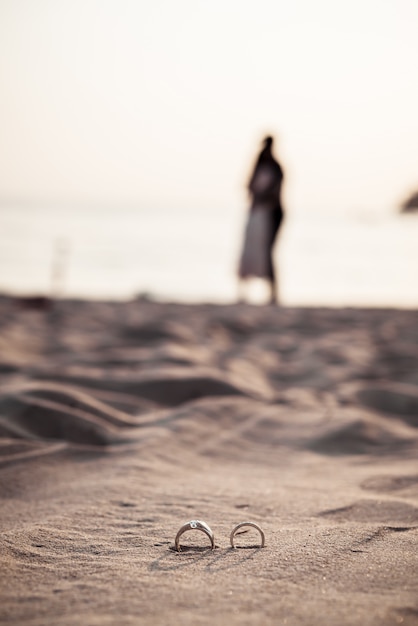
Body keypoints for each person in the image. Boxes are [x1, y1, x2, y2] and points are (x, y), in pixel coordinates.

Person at [238, 135, 284, 304]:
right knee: (251, 249)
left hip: (270, 213)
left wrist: (262, 199)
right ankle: (245, 291)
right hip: (257, 212)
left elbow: (276, 193)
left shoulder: (276, 167)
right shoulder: (260, 166)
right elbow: (247, 186)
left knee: (268, 252)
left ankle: (273, 293)